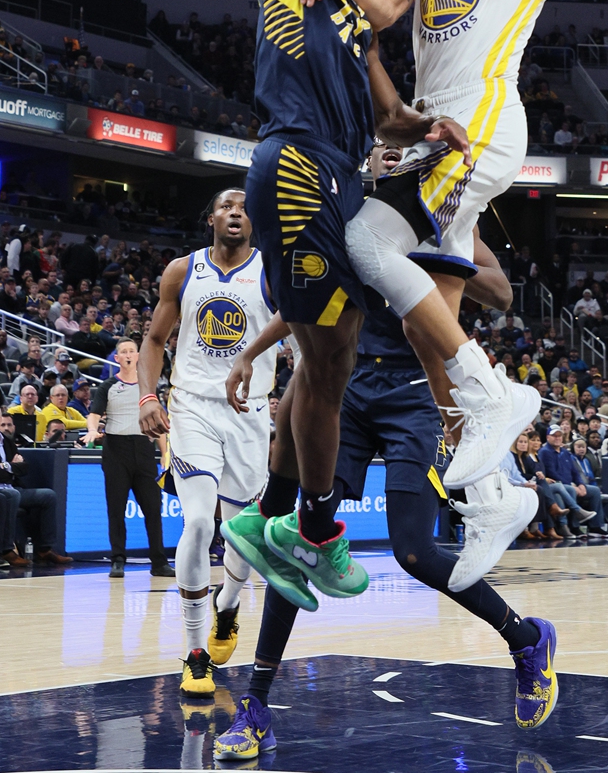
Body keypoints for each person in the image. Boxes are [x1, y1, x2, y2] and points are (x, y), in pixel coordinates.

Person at [302, 0, 608, 581]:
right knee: (423, 322)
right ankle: (498, 492)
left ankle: (494, 397)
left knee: (364, 243)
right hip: (422, 139)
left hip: (474, 129)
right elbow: (381, 4)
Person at [217, 0, 470, 606]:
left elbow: (389, 114)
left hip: (338, 174)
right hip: (293, 168)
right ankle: (306, 522)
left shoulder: (353, 11)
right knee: (331, 352)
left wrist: (428, 130)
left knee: (336, 349)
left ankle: (297, 519)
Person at [214, 198, 558, 761]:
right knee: (303, 537)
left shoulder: (444, 215)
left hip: (414, 395)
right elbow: (309, 299)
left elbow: (500, 293)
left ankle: (525, 640)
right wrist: (252, 349)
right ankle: (255, 706)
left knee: (415, 552)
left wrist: (436, 266)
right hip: (345, 387)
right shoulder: (354, 210)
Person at [136, 190, 278, 698]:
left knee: (243, 534)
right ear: (212, 217)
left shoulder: (273, 271)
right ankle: (196, 652)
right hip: (192, 406)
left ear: (254, 218)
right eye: (225, 205)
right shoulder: (182, 271)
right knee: (198, 522)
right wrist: (147, 396)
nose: (235, 211)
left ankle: (230, 604)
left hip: (250, 412)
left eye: (244, 205)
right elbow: (154, 342)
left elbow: (304, 339)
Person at [84, 338, 174, 581]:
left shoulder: (149, 387)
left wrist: (165, 454)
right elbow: (93, 414)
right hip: (116, 450)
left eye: (131, 351)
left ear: (138, 356)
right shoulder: (108, 386)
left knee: (154, 509)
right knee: (116, 509)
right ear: (116, 358)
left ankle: (159, 562)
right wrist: (92, 429)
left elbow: (160, 424)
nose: (127, 354)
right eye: (122, 351)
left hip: (144, 449)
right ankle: (117, 560)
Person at [0, 399, 72, 566]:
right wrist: (11, 467)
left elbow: (24, 467)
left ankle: (45, 549)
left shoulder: (7, 440)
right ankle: (6, 550)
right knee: (11, 495)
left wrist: (6, 467)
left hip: (14, 487)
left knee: (49, 496)